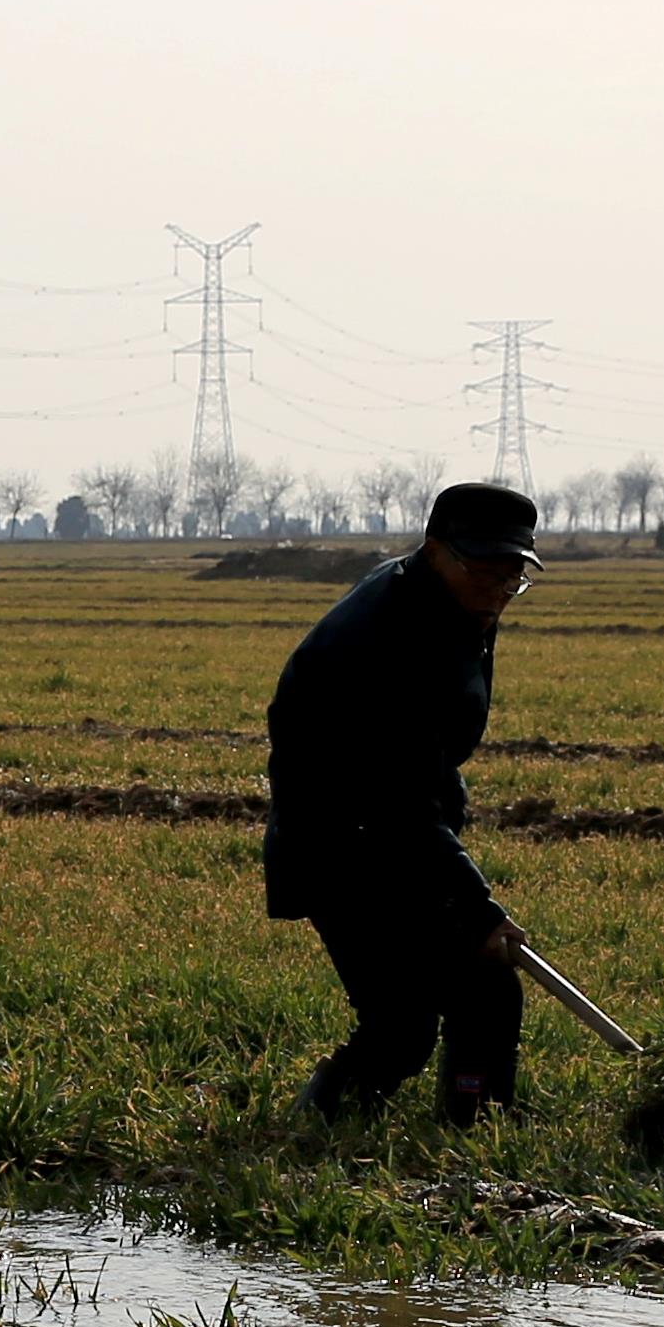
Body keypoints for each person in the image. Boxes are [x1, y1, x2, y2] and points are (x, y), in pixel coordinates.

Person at [263, 482, 537, 1125]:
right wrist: (476, 906)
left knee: (486, 983)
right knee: (402, 1024)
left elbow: (429, 759)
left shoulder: (456, 603)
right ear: (436, 549)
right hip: (339, 844)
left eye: (513, 577)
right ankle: (320, 1122)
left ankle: (477, 1124)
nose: (499, 590)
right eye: (485, 571)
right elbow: (395, 797)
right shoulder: (382, 641)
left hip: (397, 830)